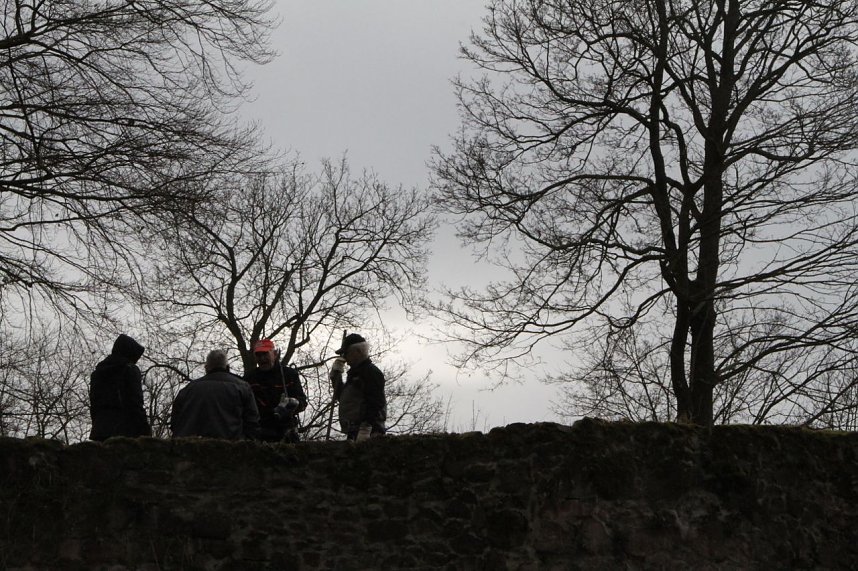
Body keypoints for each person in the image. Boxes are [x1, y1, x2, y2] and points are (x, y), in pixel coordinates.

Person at [171, 349, 260, 440]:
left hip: (189, 448)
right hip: (230, 448)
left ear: (206, 368)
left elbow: (175, 422)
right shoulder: (242, 387)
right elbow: (252, 422)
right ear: (228, 367)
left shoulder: (187, 390)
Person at [89, 333, 152, 441]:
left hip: (100, 431)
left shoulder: (98, 373)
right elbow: (135, 402)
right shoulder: (129, 369)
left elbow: (94, 406)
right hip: (125, 432)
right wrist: (145, 431)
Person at [245, 339, 307, 442]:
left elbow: (302, 401)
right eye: (258, 355)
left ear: (274, 354)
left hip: (286, 429)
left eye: (265, 354)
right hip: (259, 431)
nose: (262, 358)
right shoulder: (249, 378)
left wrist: (293, 404)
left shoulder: (290, 375)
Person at [330, 333, 387, 441]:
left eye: (346, 353)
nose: (345, 357)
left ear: (358, 352)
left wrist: (366, 427)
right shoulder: (354, 374)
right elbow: (343, 398)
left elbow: (376, 402)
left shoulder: (370, 372)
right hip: (355, 429)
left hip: (370, 431)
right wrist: (335, 376)